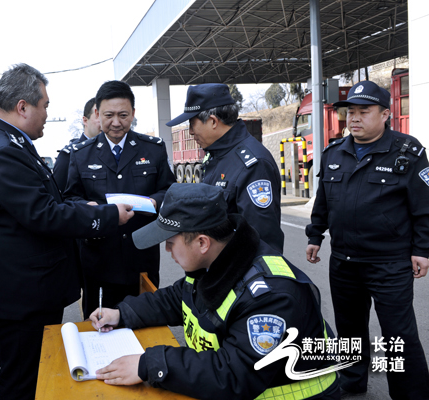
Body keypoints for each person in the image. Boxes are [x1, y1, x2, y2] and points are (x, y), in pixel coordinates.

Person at [0, 63, 134, 400]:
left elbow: (37, 203)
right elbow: (43, 215)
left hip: (21, 289)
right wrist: (107, 216)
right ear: (23, 106)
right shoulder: (2, 151)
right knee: (24, 382)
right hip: (22, 296)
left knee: (29, 373)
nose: (46, 113)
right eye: (45, 105)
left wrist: (78, 209)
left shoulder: (2, 140)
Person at [90, 183, 339, 399]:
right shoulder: (217, 260)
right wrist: (122, 313)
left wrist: (149, 364)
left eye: (170, 242)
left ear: (201, 243)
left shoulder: (271, 295)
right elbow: (178, 298)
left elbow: (235, 374)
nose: (167, 250)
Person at [305, 80, 429, 399]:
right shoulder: (335, 153)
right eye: (351, 112)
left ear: (386, 114)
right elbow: (324, 200)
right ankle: (352, 378)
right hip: (344, 261)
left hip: (389, 262)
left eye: (364, 111)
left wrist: (423, 250)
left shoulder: (408, 152)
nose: (355, 118)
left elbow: (424, 208)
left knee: (398, 333)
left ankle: (411, 392)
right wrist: (315, 235)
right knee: (349, 327)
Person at [65, 80, 175, 316]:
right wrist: (87, 207)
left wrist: (155, 201)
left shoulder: (152, 149)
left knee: (146, 327)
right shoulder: (81, 154)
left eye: (123, 115)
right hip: (99, 259)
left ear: (133, 113)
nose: (116, 122)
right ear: (97, 113)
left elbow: (169, 190)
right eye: (109, 115)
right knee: (99, 328)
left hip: (141, 257)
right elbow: (70, 198)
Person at [166, 83, 284, 252]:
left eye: (192, 124)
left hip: (236, 273)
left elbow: (262, 239)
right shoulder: (219, 155)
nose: (190, 132)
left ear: (213, 121)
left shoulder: (252, 165)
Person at [52, 97, 101, 190]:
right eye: (99, 117)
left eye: (107, 116)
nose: (105, 122)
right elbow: (59, 196)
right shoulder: (69, 155)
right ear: (85, 120)